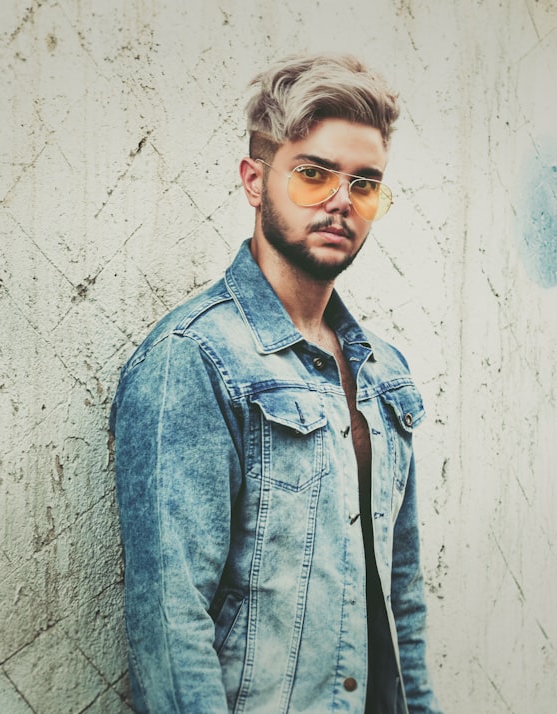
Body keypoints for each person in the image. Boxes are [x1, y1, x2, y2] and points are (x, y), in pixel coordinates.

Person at [109, 52, 442, 714]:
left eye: (365, 184)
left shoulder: (383, 372)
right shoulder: (195, 358)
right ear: (255, 182)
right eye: (313, 175)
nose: (341, 203)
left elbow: (401, 601)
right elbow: (171, 630)